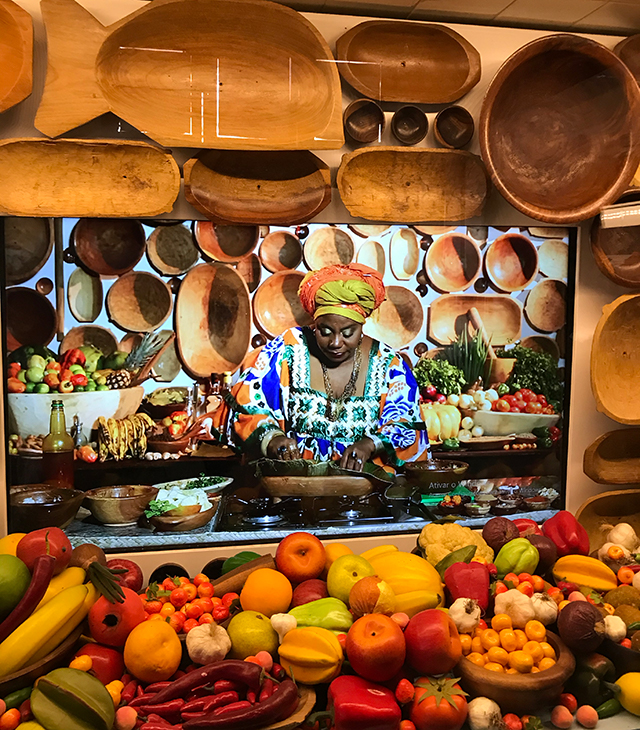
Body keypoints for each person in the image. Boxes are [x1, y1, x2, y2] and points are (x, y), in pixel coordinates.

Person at [227, 263, 428, 472]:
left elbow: (408, 426)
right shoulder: (289, 350)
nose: (335, 342)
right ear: (315, 325)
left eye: (348, 333)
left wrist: (370, 445)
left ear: (361, 328)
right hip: (297, 487)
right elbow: (247, 403)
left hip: (365, 491)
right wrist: (272, 439)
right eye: (325, 331)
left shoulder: (389, 365)